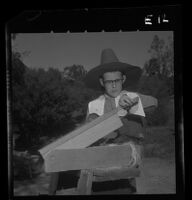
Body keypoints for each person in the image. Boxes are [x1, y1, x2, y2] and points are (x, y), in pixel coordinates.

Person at [84, 48, 145, 152]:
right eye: (108, 81)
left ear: (123, 79)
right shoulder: (93, 105)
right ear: (102, 82)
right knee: (92, 118)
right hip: (101, 152)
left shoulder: (131, 96)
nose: (113, 85)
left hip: (128, 150)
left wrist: (129, 105)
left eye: (117, 80)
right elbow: (87, 135)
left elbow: (153, 103)